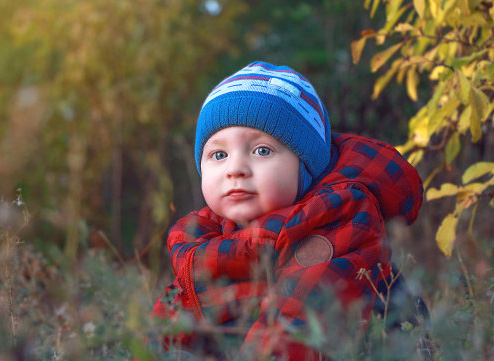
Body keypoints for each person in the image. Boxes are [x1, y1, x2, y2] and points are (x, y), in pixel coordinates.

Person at [151, 61, 424, 361]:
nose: (235, 169)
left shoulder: (335, 218)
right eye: (219, 154)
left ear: (306, 167)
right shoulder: (201, 239)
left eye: (262, 151)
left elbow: (297, 330)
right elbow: (170, 326)